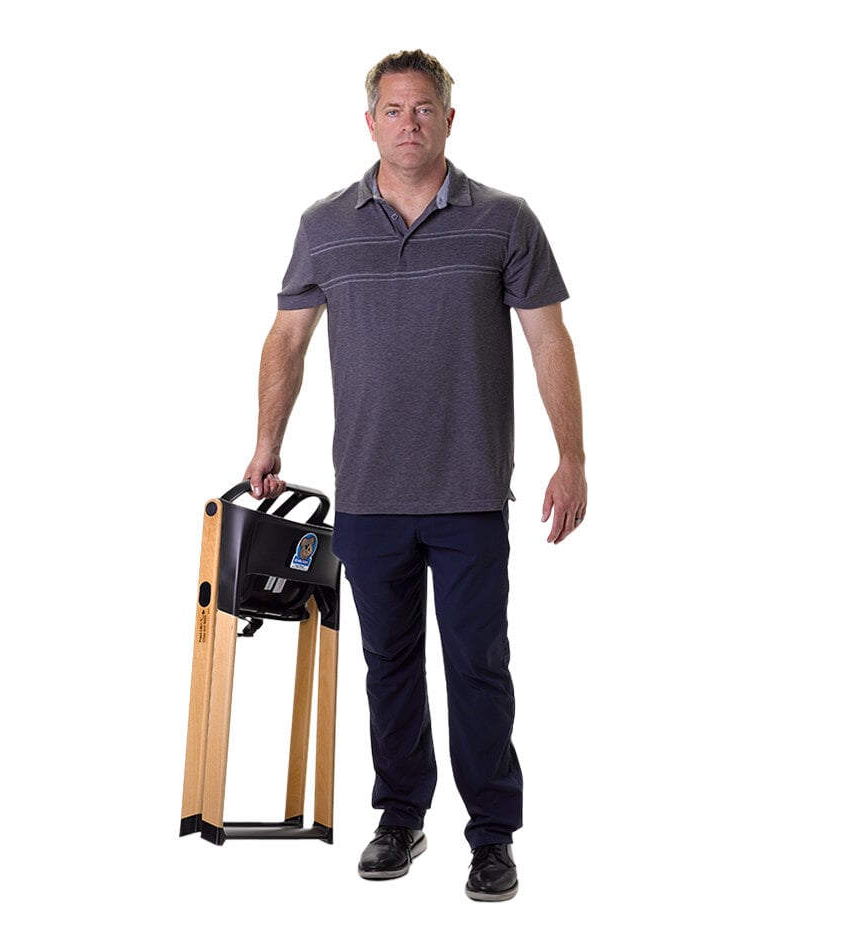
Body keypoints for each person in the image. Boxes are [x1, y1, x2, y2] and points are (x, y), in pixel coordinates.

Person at [244, 49, 586, 902]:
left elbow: (548, 338)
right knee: (388, 664)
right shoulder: (324, 225)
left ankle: (492, 836)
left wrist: (572, 457)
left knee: (478, 667)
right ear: (370, 122)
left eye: (424, 108)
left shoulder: (504, 220)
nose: (410, 123)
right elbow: (288, 338)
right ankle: (400, 818)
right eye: (394, 110)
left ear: (448, 119)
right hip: (369, 493)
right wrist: (266, 441)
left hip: (469, 490)